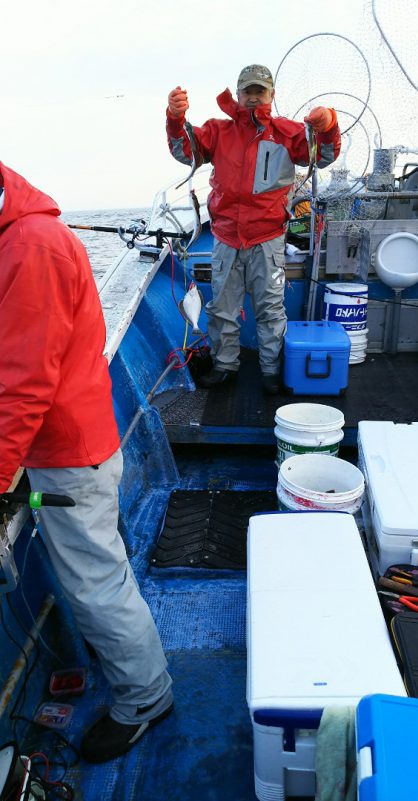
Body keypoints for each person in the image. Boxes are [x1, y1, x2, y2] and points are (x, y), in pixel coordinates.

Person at [0, 164, 173, 763]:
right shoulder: (25, 234)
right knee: (104, 569)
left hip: (69, 453)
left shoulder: (28, 248)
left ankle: (145, 699)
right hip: (78, 435)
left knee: (98, 586)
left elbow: (22, 387)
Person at [166, 64, 341, 394]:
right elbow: (185, 152)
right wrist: (176, 120)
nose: (253, 97)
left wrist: (328, 125)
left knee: (271, 309)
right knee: (222, 308)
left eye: (260, 91)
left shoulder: (288, 133)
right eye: (248, 91)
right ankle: (224, 366)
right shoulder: (219, 131)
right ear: (239, 92)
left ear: (271, 95)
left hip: (268, 239)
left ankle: (271, 370)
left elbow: (323, 157)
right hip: (226, 239)